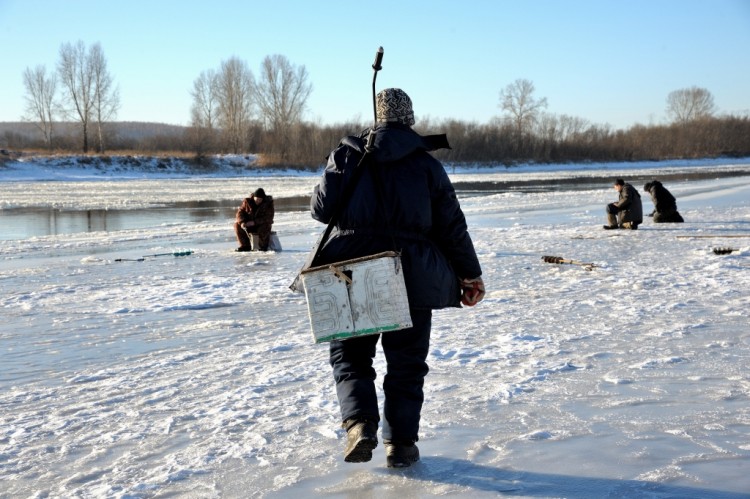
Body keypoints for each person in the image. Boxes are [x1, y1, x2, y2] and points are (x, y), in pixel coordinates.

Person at [310, 88, 484, 468]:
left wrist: (337, 164)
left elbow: (321, 209)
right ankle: (401, 444)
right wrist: (470, 275)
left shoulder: (349, 154)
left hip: (352, 272)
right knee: (406, 363)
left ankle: (359, 424)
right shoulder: (426, 166)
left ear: (376, 117)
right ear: (410, 119)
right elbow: (452, 227)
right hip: (412, 273)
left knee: (350, 356)